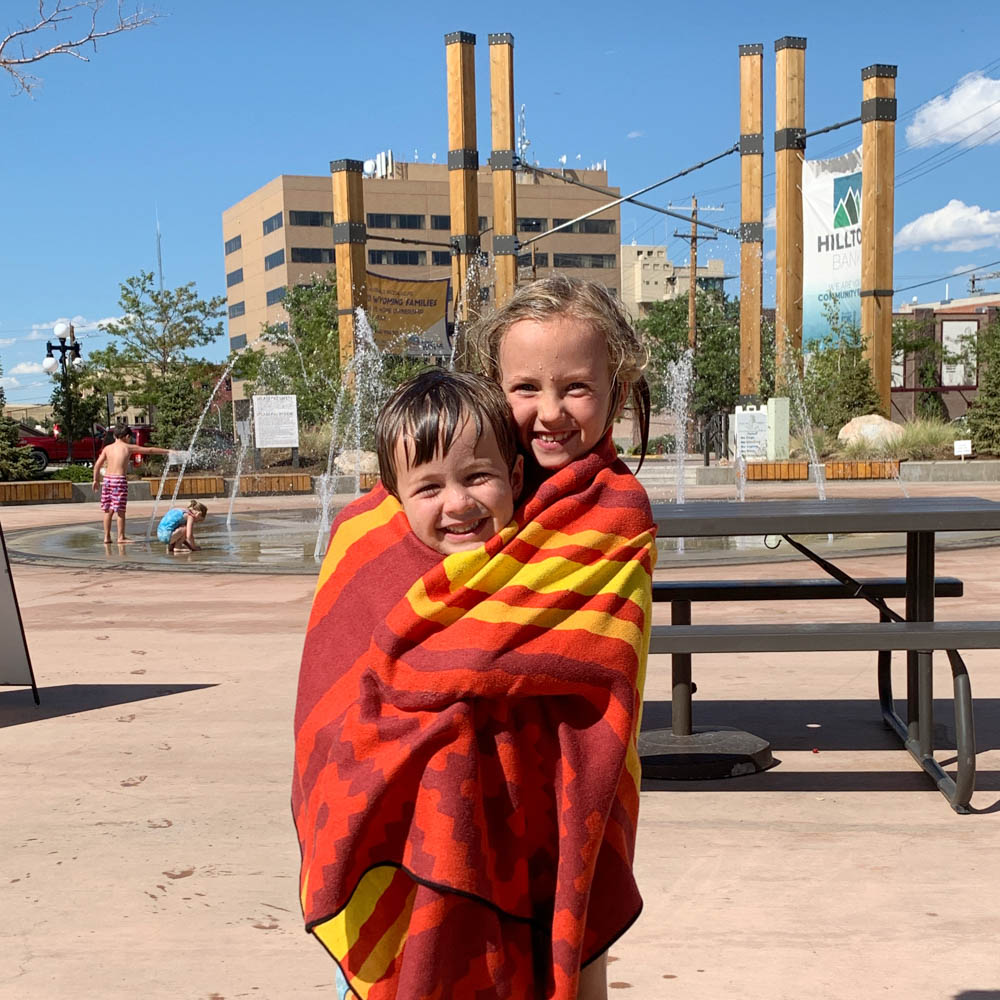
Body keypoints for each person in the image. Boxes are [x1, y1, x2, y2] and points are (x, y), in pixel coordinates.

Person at [293, 279, 655, 1000]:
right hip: (408, 832)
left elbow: (578, 661)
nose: (550, 412)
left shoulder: (612, 512)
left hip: (554, 804)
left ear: (617, 392)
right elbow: (343, 675)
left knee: (572, 970)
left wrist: (435, 668)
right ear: (495, 386)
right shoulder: (382, 518)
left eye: (576, 387)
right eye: (526, 386)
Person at [375, 369, 523, 555]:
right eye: (428, 488)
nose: (458, 504)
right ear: (398, 501)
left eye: (477, 476)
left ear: (515, 479)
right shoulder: (380, 573)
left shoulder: (549, 554)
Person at [91, 425, 173, 544]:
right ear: (127, 436)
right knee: (120, 510)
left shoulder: (107, 448)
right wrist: (168, 451)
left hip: (107, 480)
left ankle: (107, 537)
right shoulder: (128, 447)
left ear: (114, 436)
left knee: (108, 510)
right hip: (119, 480)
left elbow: (97, 464)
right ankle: (120, 537)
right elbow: (150, 450)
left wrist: (96, 480)